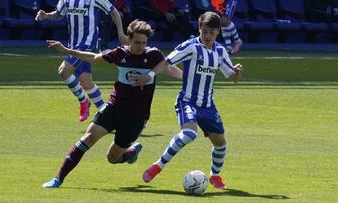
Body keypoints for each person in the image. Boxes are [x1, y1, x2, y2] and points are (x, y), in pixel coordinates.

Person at [41, 19, 183, 188]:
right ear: (128, 39)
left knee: (112, 158)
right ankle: (58, 179)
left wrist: (190, 79)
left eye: (144, 43)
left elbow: (170, 69)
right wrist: (66, 50)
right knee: (88, 138)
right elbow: (94, 58)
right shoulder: (119, 54)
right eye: (137, 42)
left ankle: (129, 153)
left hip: (136, 117)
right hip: (113, 108)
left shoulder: (153, 55)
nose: (141, 46)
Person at [138, 11, 243, 189]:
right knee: (189, 134)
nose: (208, 36)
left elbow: (231, 77)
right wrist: (148, 76)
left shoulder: (220, 51)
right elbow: (167, 61)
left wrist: (237, 73)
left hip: (208, 105)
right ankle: (158, 166)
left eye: (212, 32)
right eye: (205, 31)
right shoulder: (191, 46)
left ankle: (215, 176)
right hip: (187, 101)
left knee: (221, 144)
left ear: (218, 31)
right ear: (199, 29)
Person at [35, 0, 127, 122]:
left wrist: (120, 33)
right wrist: (46, 15)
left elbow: (113, 11)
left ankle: (83, 101)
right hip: (73, 45)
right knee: (86, 81)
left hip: (88, 44)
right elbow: (59, 14)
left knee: (64, 70)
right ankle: (108, 115)